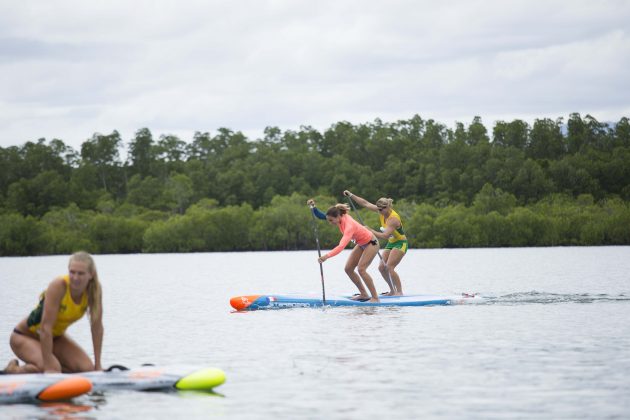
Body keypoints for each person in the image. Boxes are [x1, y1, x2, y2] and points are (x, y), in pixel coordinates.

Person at [3, 251, 104, 374]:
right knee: (52, 368)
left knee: (87, 369)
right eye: (72, 272)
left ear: (91, 274)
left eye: (81, 273)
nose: (75, 278)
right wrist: (49, 365)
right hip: (24, 336)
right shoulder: (59, 285)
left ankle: (44, 367)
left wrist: (98, 365)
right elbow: (45, 327)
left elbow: (97, 328)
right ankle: (13, 370)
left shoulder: (94, 291)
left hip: (55, 338)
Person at [307, 199, 380, 303]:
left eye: (331, 220)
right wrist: (313, 207)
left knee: (361, 270)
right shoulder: (338, 216)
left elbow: (341, 247)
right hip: (361, 243)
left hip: (371, 243)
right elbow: (322, 216)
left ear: (338, 217)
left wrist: (326, 256)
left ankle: (375, 298)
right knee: (348, 269)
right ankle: (364, 294)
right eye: (329, 220)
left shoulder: (349, 226)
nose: (330, 223)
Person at [343, 190, 408, 296]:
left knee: (390, 267)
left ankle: (399, 292)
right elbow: (365, 203)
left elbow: (384, 236)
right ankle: (392, 291)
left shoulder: (393, 219)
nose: (380, 211)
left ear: (387, 207)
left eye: (382, 209)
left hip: (401, 243)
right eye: (379, 209)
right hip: (391, 243)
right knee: (382, 268)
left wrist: (370, 230)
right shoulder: (380, 210)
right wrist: (351, 195)